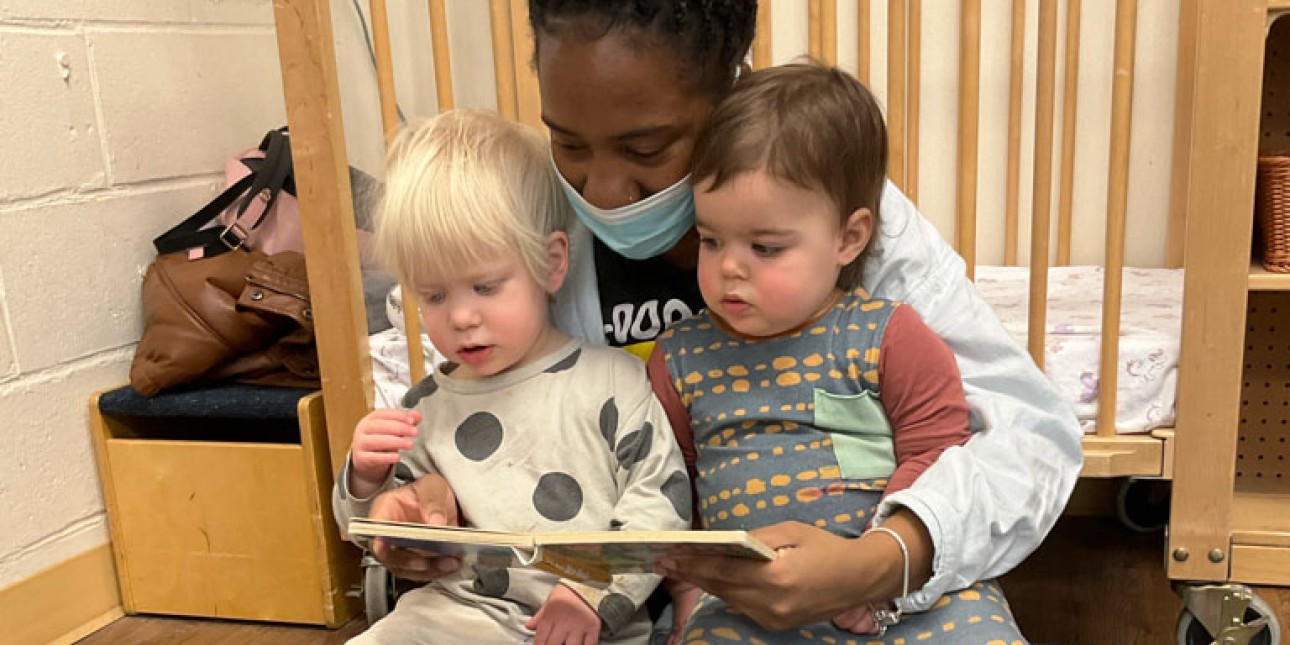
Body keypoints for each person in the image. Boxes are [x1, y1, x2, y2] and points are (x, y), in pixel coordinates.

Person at [367, 0, 1081, 639]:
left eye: (647, 149)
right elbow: (500, 412)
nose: (606, 189)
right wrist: (443, 513)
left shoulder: (831, 207)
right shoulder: (538, 229)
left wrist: (884, 558)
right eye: (569, 145)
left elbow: (1029, 435)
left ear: (730, 96)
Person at [645, 62, 1029, 642]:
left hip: (897, 597)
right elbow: (675, 485)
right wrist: (690, 584)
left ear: (849, 238)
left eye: (766, 247)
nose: (729, 266)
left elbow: (938, 455)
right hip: (751, 607)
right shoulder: (679, 358)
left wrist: (877, 571)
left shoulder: (889, 335)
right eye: (711, 239)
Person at [333, 110, 692, 644]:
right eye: (433, 295)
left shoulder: (613, 380)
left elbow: (663, 502)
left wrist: (591, 595)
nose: (460, 317)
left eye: (484, 287)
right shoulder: (425, 405)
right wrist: (367, 482)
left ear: (550, 264)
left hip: (594, 625)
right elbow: (382, 527)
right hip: (459, 614)